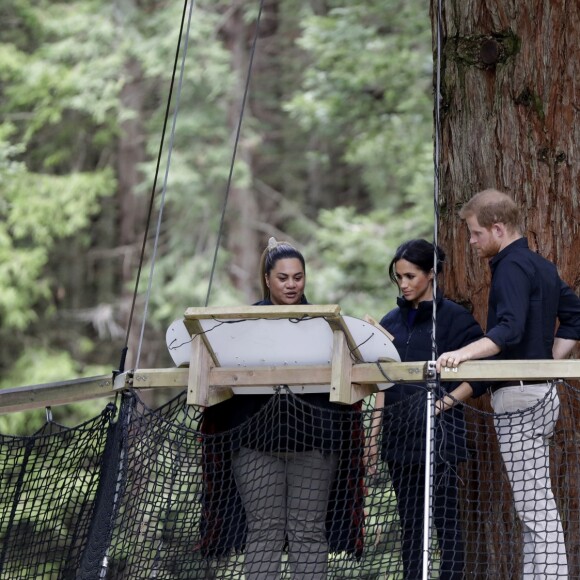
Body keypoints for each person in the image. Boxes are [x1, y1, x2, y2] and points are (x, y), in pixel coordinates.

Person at [200, 237, 364, 580]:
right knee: (263, 531)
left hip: (315, 443)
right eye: (283, 278)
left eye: (298, 277)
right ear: (267, 279)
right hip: (255, 445)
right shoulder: (242, 325)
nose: (292, 284)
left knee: (307, 531)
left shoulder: (326, 324)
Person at [437, 188, 580, 579]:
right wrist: (550, 362)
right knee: (532, 504)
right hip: (541, 395)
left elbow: (509, 329)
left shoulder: (511, 266)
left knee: (535, 508)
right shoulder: (542, 266)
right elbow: (576, 317)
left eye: (474, 233)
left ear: (497, 229)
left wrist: (463, 353)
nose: (470, 241)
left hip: (519, 397)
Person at [369, 239, 486, 580]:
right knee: (411, 527)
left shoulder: (454, 319)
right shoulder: (389, 322)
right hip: (399, 442)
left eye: (410, 276)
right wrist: (372, 440)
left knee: (447, 525)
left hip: (442, 442)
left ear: (431, 274)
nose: (403, 284)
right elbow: (381, 384)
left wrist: (441, 405)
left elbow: (482, 375)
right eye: (398, 277)